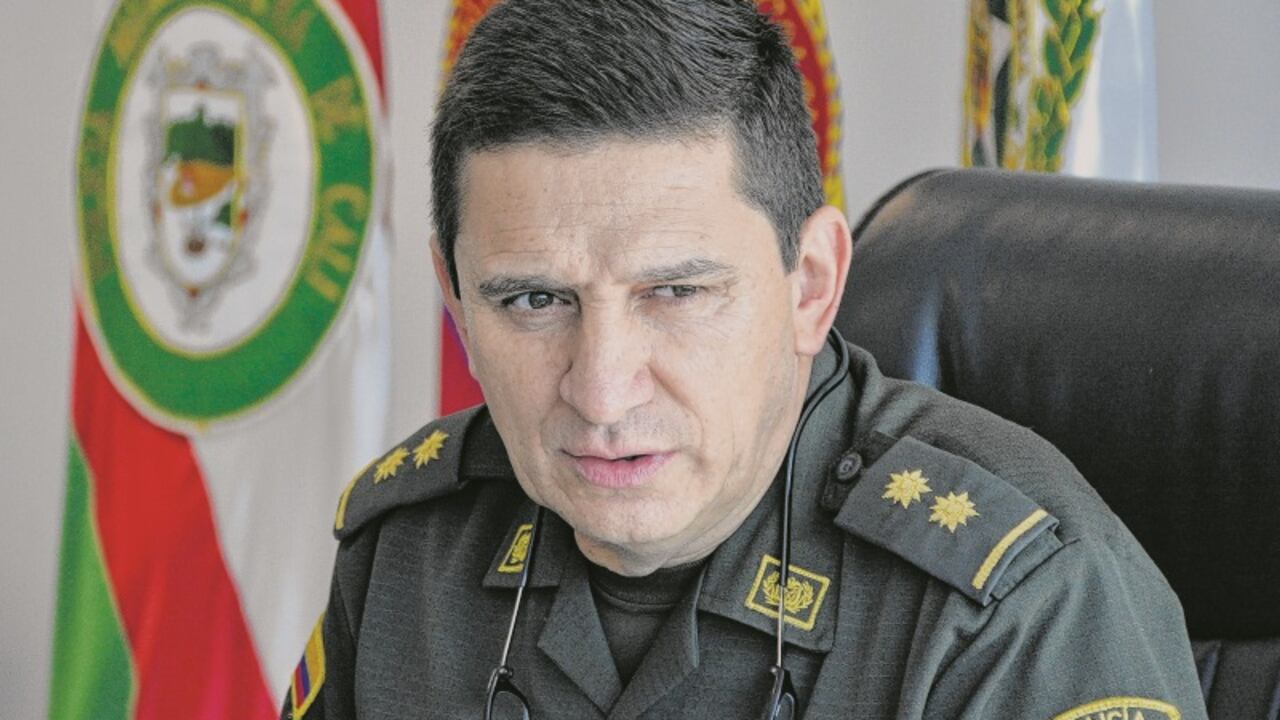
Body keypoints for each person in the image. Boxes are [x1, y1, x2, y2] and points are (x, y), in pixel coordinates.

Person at [281, 1, 1208, 718]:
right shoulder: (406, 553)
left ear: (811, 285)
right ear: (455, 301)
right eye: (535, 301)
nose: (601, 392)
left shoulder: (1015, 608)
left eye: (676, 292)